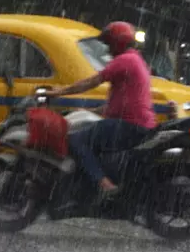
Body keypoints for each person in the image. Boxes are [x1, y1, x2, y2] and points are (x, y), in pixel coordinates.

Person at [52, 22, 156, 197]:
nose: (108, 50)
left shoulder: (124, 60)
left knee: (75, 140)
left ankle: (104, 184)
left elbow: (91, 82)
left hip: (128, 125)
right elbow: (122, 101)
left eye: (109, 44)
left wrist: (58, 92)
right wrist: (90, 110)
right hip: (137, 123)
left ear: (117, 43)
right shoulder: (136, 59)